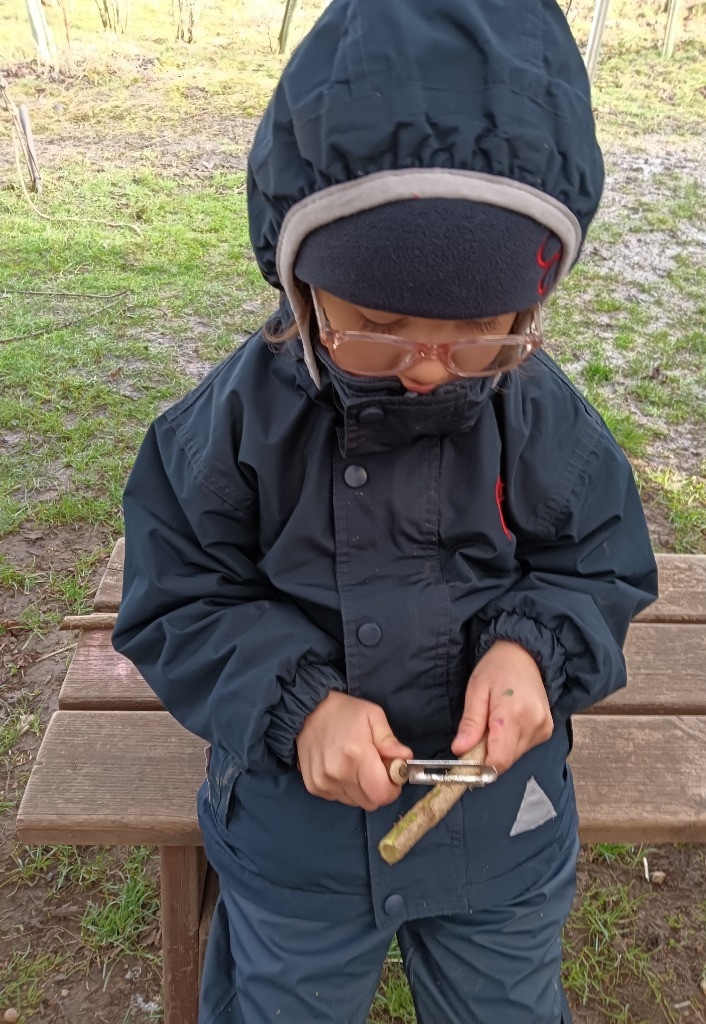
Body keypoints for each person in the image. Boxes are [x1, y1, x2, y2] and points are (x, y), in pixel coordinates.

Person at [113, 1, 658, 1021]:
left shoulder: (535, 408)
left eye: (477, 334)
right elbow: (178, 595)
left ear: (530, 310)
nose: (426, 370)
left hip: (501, 832)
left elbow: (599, 563)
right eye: (377, 328)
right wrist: (295, 704)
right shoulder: (237, 421)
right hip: (296, 840)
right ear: (302, 283)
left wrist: (531, 649)